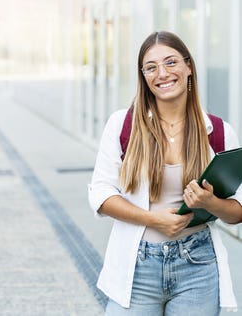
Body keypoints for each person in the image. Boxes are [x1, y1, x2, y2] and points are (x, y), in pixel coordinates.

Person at [88, 31, 242, 315]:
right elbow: (101, 194)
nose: (162, 73)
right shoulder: (123, 125)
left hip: (197, 266)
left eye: (171, 62)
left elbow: (237, 212)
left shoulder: (219, 132)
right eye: (151, 67)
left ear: (188, 67)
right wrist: (153, 220)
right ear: (144, 76)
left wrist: (210, 203)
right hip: (137, 265)